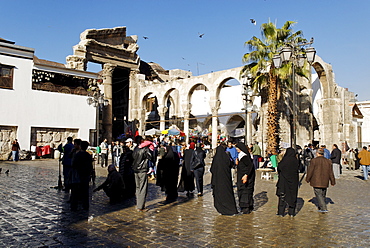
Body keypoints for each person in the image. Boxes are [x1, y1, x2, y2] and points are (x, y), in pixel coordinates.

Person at [210, 144, 238, 215]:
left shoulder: (216, 159)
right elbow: (231, 164)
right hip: (226, 180)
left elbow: (212, 169)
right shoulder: (226, 157)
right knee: (227, 194)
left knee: (219, 195)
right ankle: (230, 209)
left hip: (217, 181)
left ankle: (221, 209)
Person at [306, 148, 336, 213]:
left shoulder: (314, 161)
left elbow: (310, 171)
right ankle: (321, 206)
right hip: (325, 180)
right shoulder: (328, 161)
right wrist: (332, 181)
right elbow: (331, 172)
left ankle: (323, 208)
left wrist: (308, 178)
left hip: (316, 180)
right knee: (323, 194)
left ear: (317, 153)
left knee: (319, 194)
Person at [70, 141, 93, 211]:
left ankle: (74, 206)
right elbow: (90, 166)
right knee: (85, 192)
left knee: (75, 191)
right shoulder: (88, 155)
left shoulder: (78, 155)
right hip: (85, 175)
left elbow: (73, 164)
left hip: (78, 175)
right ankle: (85, 206)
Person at [276, 147, 299, 217]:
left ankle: (281, 212)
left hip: (284, 182)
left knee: (283, 197)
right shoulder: (296, 161)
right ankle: (291, 212)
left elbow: (279, 168)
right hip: (293, 181)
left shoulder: (284, 161)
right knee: (292, 196)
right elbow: (300, 168)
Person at [132, 136, 152, 211]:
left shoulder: (136, 149)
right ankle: (140, 206)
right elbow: (151, 157)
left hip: (135, 169)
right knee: (143, 188)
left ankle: (138, 204)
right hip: (142, 169)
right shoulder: (145, 149)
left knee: (137, 188)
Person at [235, 142, 256, 214]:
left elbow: (250, 166)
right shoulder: (241, 156)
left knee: (245, 192)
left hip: (246, 178)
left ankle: (246, 208)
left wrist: (246, 175)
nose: (236, 149)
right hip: (243, 176)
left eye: (237, 148)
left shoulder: (244, 157)